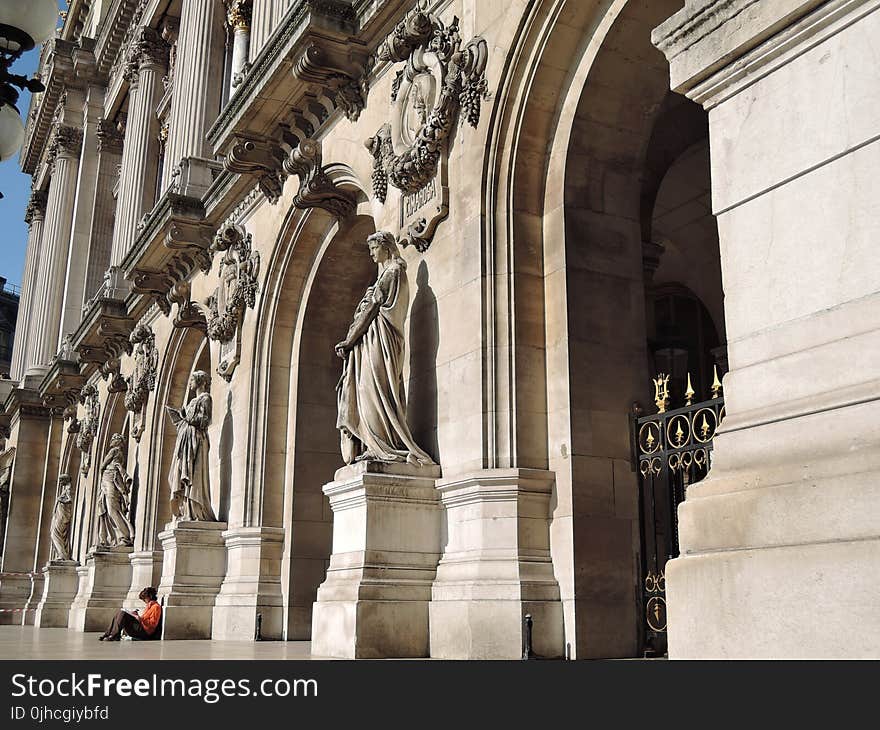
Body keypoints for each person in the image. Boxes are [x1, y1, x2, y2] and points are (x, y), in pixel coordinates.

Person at [335, 231, 435, 466]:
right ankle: (375, 444)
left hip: (380, 342)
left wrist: (350, 340)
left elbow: (372, 308)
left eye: (373, 248)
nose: (370, 253)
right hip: (374, 341)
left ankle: (383, 444)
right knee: (370, 390)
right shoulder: (389, 274)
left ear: (385, 246)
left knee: (372, 389)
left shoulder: (393, 272)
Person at [166, 370, 216, 522]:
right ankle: (185, 510)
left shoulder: (205, 398)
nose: (190, 383)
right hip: (185, 440)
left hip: (196, 441)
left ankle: (196, 511)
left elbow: (205, 420)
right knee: (180, 472)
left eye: (192, 380)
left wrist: (188, 418)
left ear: (200, 381)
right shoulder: (192, 401)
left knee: (194, 474)